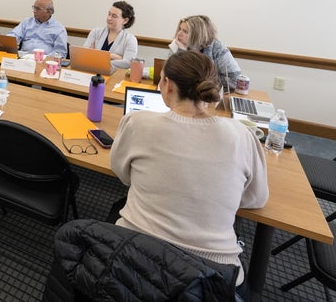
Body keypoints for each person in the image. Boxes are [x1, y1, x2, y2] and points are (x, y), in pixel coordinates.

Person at [110, 50, 268, 296]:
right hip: (212, 276)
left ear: (168, 85)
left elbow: (123, 175)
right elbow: (255, 199)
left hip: (134, 255)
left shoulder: (137, 122)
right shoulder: (242, 136)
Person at [169, 15, 241, 90]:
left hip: (212, 96)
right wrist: (182, 52)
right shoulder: (178, 45)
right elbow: (171, 76)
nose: (179, 34)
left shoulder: (217, 48)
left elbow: (235, 80)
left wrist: (201, 84)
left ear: (198, 35)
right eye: (180, 29)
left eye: (185, 31)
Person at [83, 1, 137, 70]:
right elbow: (84, 55)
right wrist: (116, 57)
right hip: (91, 72)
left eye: (114, 16)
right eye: (109, 14)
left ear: (125, 20)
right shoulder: (96, 32)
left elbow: (128, 63)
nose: (109, 18)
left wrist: (97, 56)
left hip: (115, 77)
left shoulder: (130, 39)